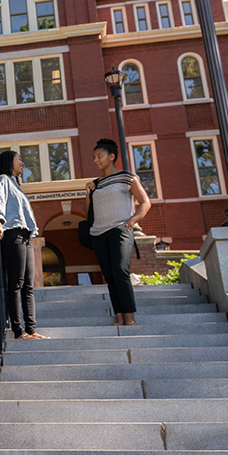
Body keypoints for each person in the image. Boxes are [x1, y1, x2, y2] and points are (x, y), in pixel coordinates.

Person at [86, 138, 151, 326]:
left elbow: (145, 202)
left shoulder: (127, 177)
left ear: (112, 156)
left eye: (100, 156)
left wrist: (131, 222)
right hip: (98, 233)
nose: (96, 160)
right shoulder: (96, 184)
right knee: (110, 276)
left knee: (121, 271)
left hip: (119, 230)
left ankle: (130, 317)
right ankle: (119, 317)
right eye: (94, 157)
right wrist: (89, 193)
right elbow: (87, 211)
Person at [0, 150, 48, 340]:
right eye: (19, 159)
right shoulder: (3, 180)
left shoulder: (16, 185)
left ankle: (31, 329)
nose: (22, 163)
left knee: (28, 286)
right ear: (9, 161)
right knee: (16, 284)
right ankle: (18, 331)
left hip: (26, 235)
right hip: (13, 233)